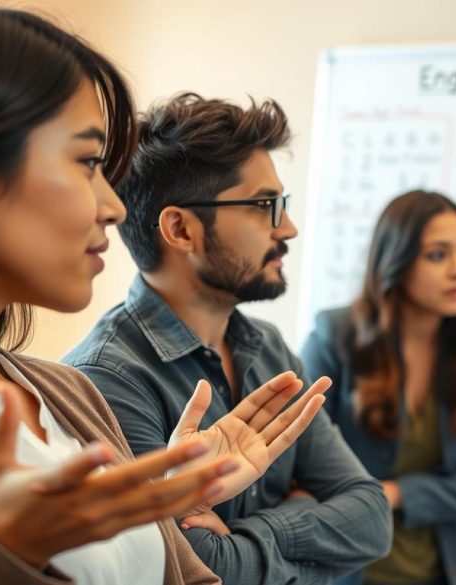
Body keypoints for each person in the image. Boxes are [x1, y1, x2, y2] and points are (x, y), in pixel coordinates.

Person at [0, 2, 327, 583]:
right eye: (87, 162)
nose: (112, 206)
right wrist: (7, 552)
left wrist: (168, 501)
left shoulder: (68, 391)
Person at [63, 93, 392, 584]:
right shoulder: (106, 378)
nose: (290, 228)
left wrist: (248, 536)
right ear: (181, 229)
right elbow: (195, 568)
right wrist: (305, 516)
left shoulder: (269, 348)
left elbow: (371, 518)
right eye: (265, 206)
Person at [301, 190, 456, 585]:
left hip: (443, 574)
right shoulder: (334, 337)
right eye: (437, 255)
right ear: (395, 262)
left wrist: (398, 494)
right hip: (347, 574)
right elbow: (298, 467)